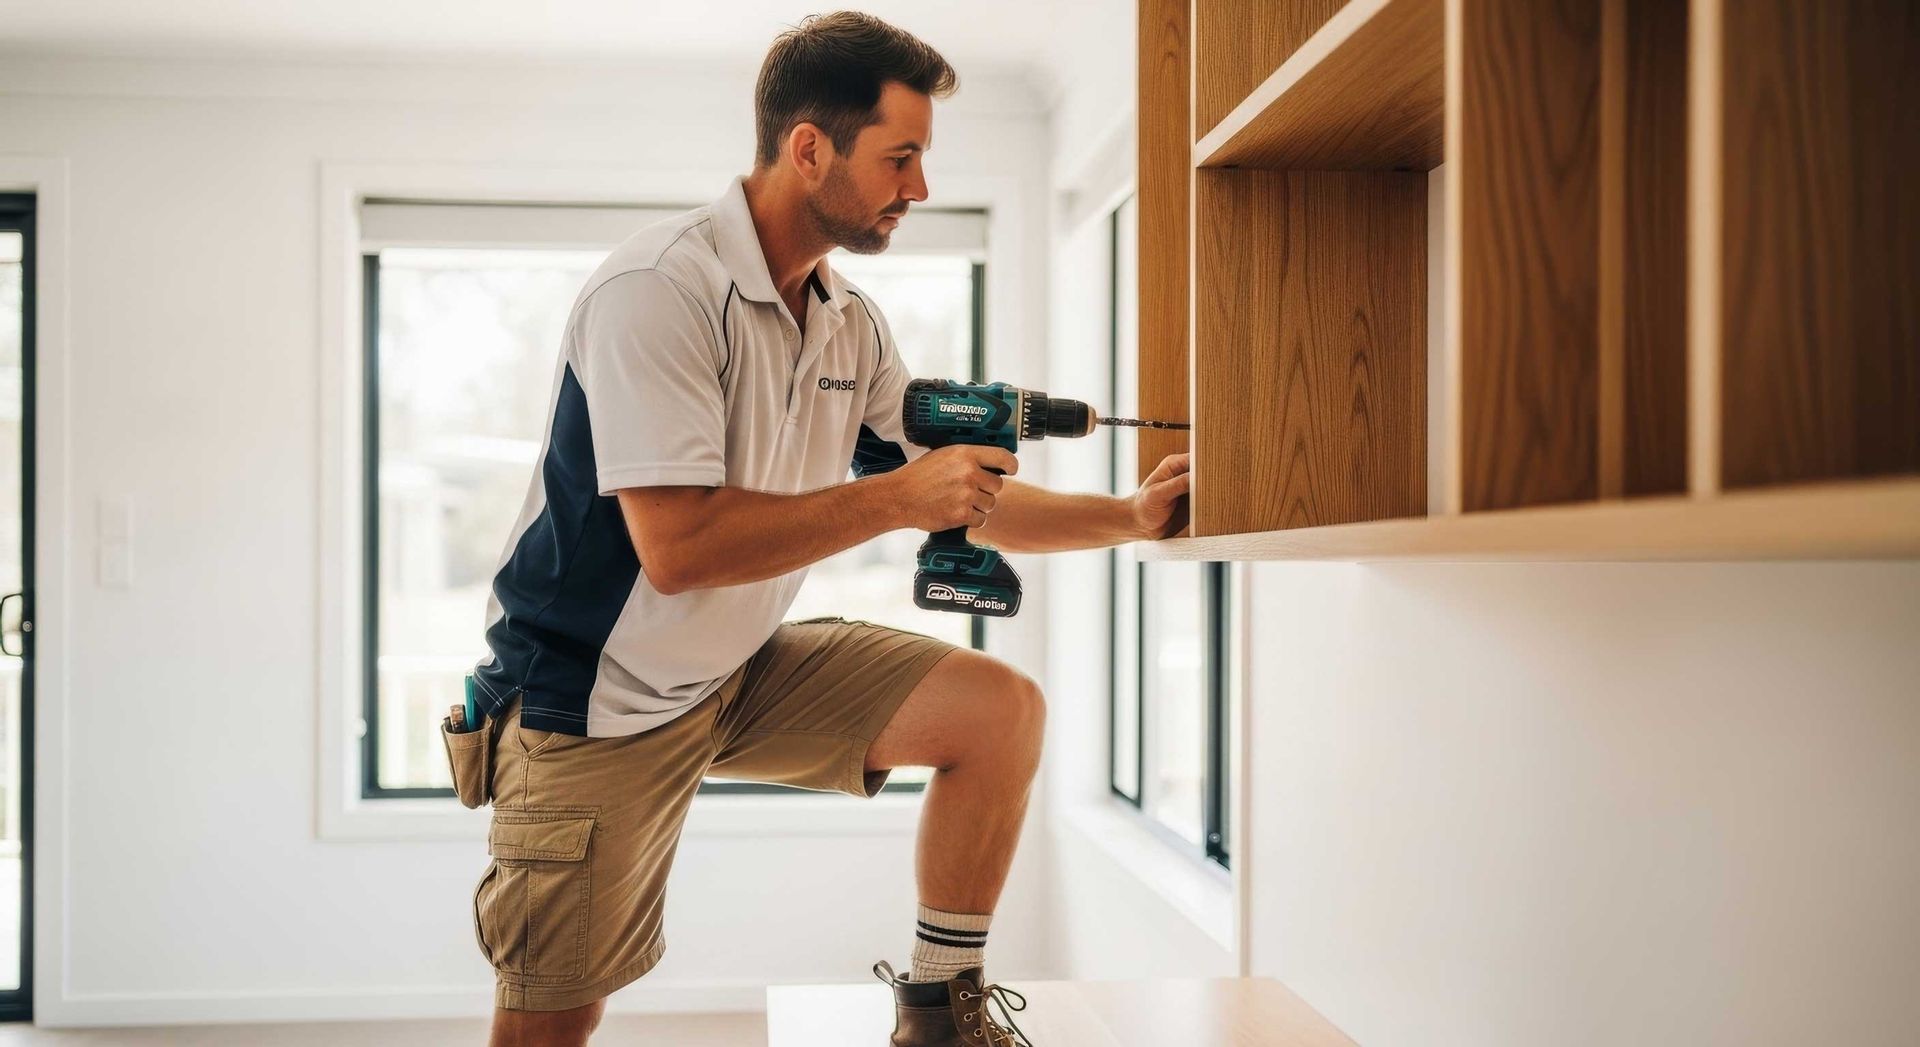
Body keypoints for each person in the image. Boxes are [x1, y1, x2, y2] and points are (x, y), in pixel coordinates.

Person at [466, 11, 1191, 1046]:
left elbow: (954, 488)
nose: (919, 187)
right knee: (552, 1025)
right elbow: (679, 551)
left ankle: (939, 1016)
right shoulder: (659, 290)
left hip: (730, 671)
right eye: (901, 157)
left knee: (998, 713)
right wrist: (903, 499)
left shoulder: (845, 317)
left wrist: (1127, 516)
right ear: (809, 148)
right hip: (593, 696)